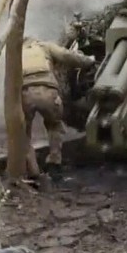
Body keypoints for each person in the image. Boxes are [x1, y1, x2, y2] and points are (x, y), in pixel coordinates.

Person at [20, 37, 96, 176]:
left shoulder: (17, 53)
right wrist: (88, 61)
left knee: (25, 133)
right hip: (48, 92)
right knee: (54, 125)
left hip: (25, 94)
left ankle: (32, 170)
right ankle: (54, 163)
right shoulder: (44, 46)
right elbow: (67, 56)